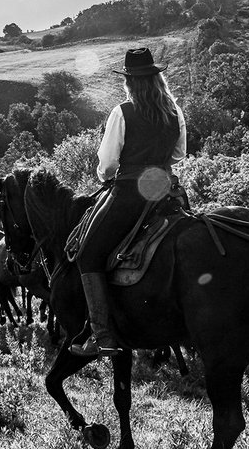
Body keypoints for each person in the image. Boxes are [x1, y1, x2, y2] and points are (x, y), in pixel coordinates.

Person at [69, 47, 186, 359]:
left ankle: (102, 335)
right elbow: (178, 155)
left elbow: (107, 164)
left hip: (130, 195)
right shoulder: (175, 112)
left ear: (129, 82)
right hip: (166, 193)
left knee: (88, 254)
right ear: (157, 78)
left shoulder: (123, 112)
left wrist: (104, 175)